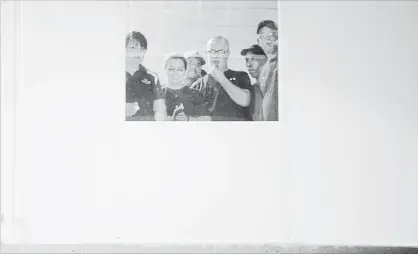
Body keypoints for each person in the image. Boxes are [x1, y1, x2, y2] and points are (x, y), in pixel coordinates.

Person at [191, 36, 252, 121]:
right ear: (206, 54)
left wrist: (221, 77)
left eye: (220, 52)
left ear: (228, 54)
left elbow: (245, 101)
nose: (215, 55)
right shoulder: (196, 86)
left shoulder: (241, 76)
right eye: (211, 51)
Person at [125, 31, 167, 121]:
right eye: (133, 48)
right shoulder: (112, 75)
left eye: (142, 49)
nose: (138, 53)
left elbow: (160, 110)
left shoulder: (152, 77)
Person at [161, 53, 211, 121]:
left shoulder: (196, 94)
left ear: (184, 70)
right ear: (165, 69)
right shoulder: (157, 94)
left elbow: (207, 120)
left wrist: (188, 119)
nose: (175, 72)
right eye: (171, 69)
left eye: (180, 69)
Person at [254, 20, 279, 121]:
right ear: (258, 41)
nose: (269, 38)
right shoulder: (261, 70)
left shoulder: (284, 60)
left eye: (272, 34)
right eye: (263, 35)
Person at [240, 44, 268, 121]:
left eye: (254, 59)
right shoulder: (252, 90)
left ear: (266, 60)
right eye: (247, 60)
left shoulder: (277, 85)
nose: (248, 64)